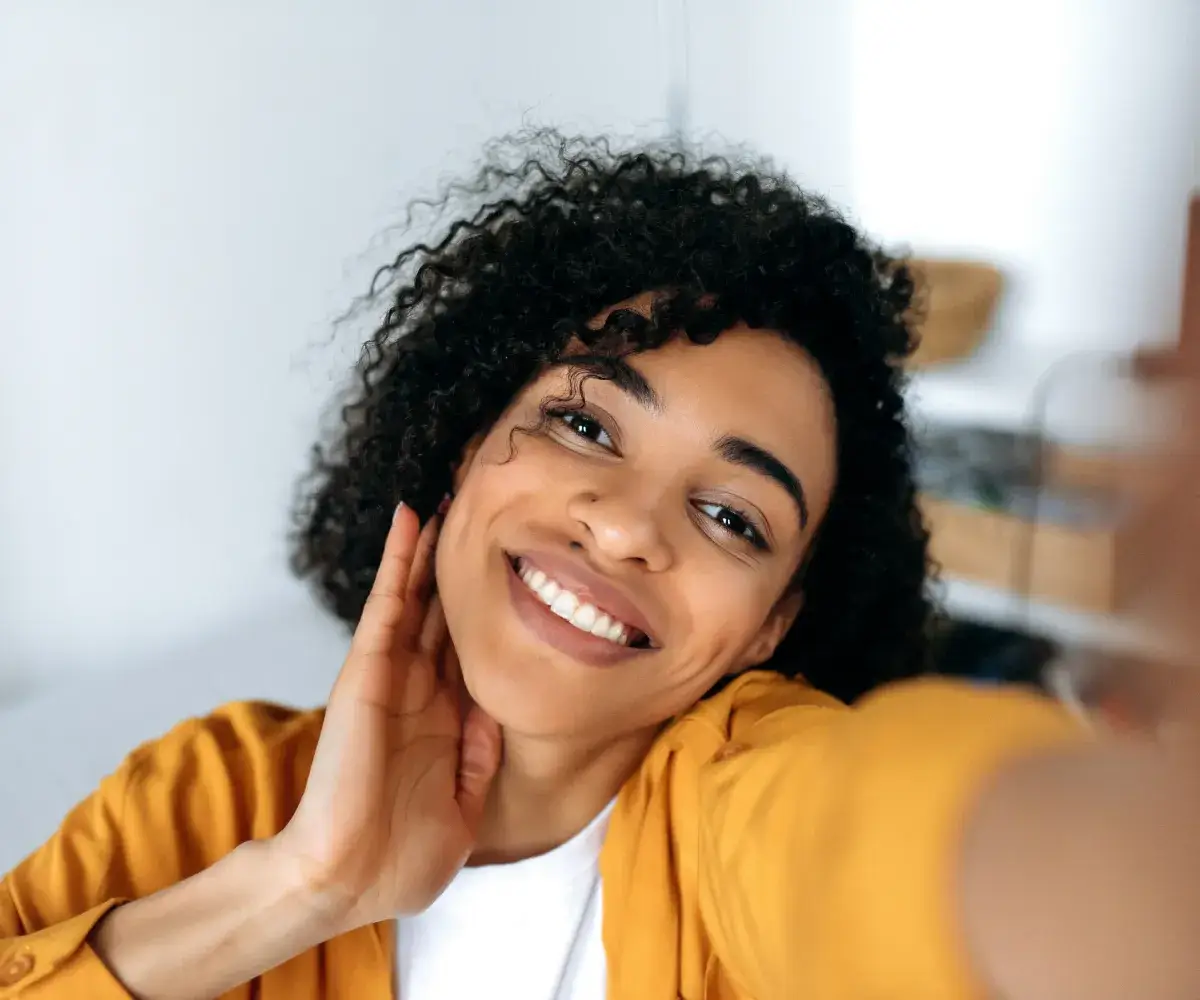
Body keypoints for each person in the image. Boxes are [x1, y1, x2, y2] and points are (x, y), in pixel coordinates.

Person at [1, 133, 1197, 1000]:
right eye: (585, 425)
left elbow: (896, 836)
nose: (627, 528)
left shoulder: (738, 810)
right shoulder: (206, 802)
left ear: (775, 623)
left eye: (733, 516)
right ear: (466, 439)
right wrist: (297, 887)